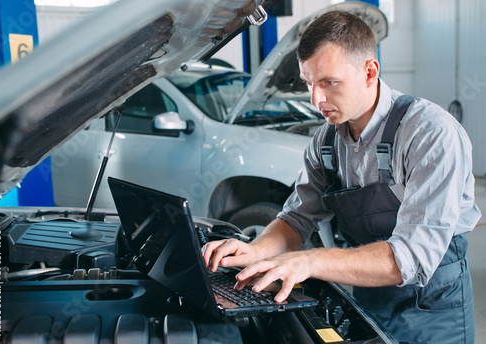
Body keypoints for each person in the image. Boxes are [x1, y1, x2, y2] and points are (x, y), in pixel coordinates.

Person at [202, 10, 481, 344]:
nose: (315, 99)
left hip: (433, 309)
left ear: (369, 72)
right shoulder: (326, 141)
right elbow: (296, 219)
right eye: (309, 83)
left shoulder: (430, 134)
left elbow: (411, 258)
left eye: (329, 83)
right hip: (368, 297)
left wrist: (308, 261)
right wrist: (255, 250)